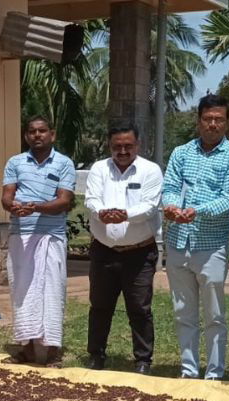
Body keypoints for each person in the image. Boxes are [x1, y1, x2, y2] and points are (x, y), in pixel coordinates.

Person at [161, 94, 229, 380]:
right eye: (207, 119)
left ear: (227, 123)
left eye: (219, 119)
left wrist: (197, 211)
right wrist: (171, 206)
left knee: (214, 314)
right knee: (183, 311)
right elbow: (169, 186)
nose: (212, 124)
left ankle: (215, 372)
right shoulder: (181, 153)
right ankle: (188, 369)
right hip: (177, 243)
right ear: (198, 121)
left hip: (211, 247)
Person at [83, 124, 163, 375]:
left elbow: (150, 206)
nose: (123, 151)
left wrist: (123, 215)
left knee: (139, 308)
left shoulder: (150, 170)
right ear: (110, 146)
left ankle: (142, 360)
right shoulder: (98, 169)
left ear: (138, 146)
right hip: (103, 251)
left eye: (128, 146)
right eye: (117, 146)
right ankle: (96, 356)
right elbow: (91, 199)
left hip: (139, 253)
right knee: (100, 305)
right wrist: (101, 213)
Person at [0, 116, 76, 367]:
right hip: (21, 236)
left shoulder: (64, 163)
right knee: (23, 291)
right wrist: (14, 207)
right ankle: (27, 349)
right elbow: (6, 198)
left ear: (52, 134)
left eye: (42, 131)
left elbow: (64, 201)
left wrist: (35, 207)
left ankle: (52, 351)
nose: (37, 135)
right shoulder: (15, 162)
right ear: (26, 136)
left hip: (51, 236)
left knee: (52, 292)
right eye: (32, 132)